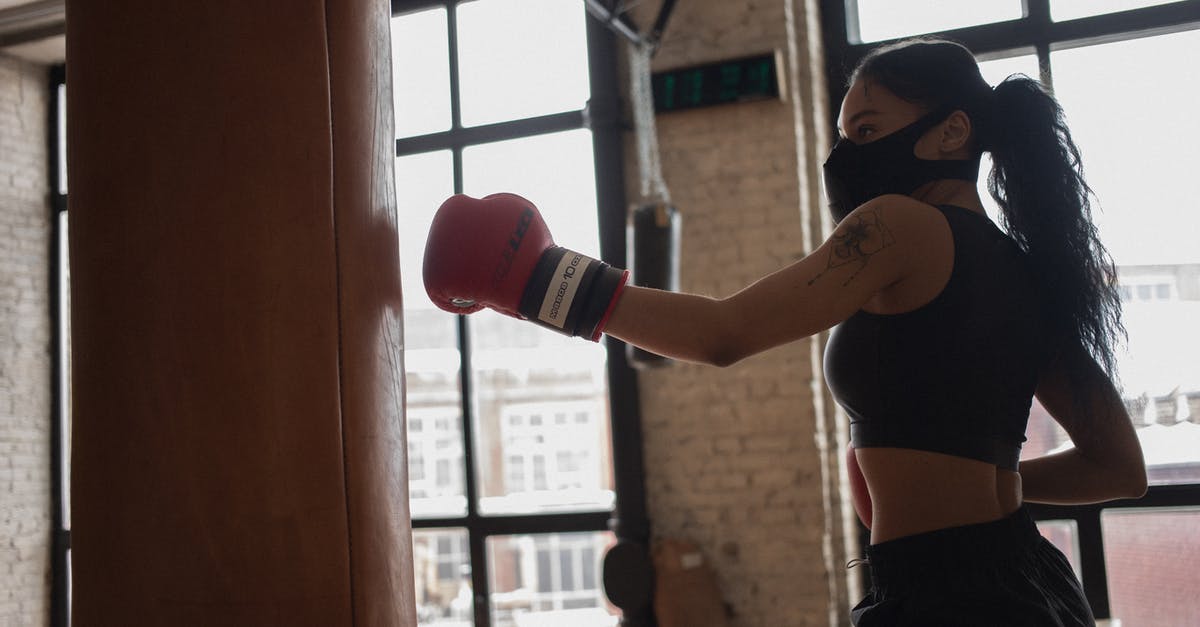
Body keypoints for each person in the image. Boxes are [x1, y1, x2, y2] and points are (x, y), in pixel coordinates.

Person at [422, 36, 1147, 627]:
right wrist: (992, 489)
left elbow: (723, 331)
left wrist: (538, 282)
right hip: (1032, 584)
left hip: (946, 595)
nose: (844, 157)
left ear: (952, 130)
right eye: (841, 136)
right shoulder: (1022, 272)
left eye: (866, 130)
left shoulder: (899, 225)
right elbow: (1118, 466)